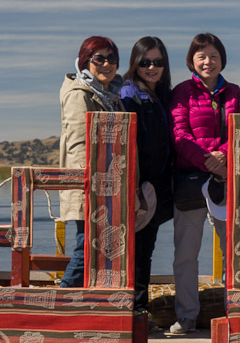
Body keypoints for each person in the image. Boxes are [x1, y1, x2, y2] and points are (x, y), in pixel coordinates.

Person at [168, 33, 240, 334]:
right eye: (201, 56)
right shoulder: (182, 92)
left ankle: (233, 315)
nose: (208, 61)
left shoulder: (235, 93)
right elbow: (178, 134)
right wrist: (206, 159)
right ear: (192, 60)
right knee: (186, 254)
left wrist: (222, 157)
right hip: (190, 180)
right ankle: (186, 315)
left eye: (213, 56)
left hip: (225, 180)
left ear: (222, 60)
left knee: (233, 252)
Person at [59, 36, 124, 288]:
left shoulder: (105, 95)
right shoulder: (79, 94)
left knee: (94, 245)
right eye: (99, 58)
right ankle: (63, 300)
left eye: (112, 58)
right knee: (86, 245)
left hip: (105, 185)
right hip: (90, 186)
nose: (106, 64)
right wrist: (92, 182)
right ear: (86, 61)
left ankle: (82, 303)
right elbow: (77, 144)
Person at [119, 36, 174, 319]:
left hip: (158, 185)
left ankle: (138, 308)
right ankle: (135, 310)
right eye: (145, 62)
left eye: (158, 62)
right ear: (135, 63)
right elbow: (130, 144)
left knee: (146, 248)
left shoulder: (161, 95)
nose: (151, 67)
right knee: (138, 250)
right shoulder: (129, 94)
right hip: (139, 186)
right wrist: (136, 185)